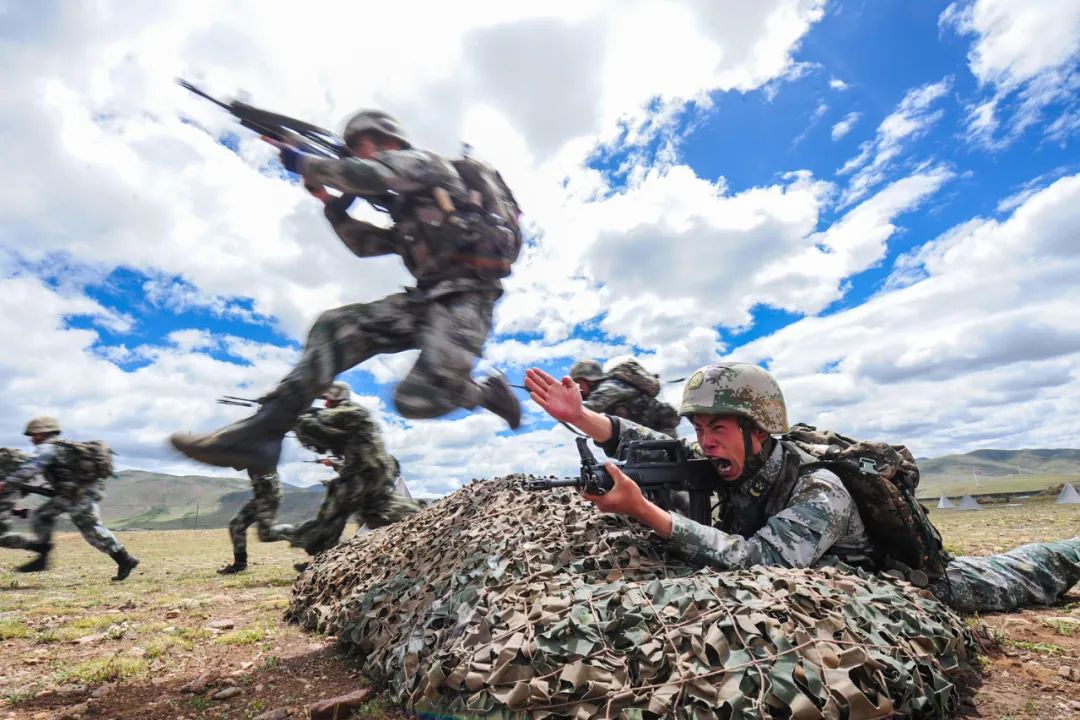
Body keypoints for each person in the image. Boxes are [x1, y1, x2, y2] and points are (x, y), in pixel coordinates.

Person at [525, 363, 1080, 613]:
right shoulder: (731, 461)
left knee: (1031, 573)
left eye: (718, 427)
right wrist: (586, 420)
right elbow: (656, 448)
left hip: (912, 586)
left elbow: (755, 562)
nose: (706, 441)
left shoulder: (821, 489)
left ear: (759, 430)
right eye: (699, 428)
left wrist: (645, 511)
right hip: (831, 584)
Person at [171, 110, 523, 474]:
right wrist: (328, 200)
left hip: (466, 301)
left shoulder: (427, 165)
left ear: (389, 141)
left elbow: (369, 175)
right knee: (335, 326)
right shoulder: (409, 211)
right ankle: (261, 435)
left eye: (360, 145)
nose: (355, 153)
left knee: (415, 401)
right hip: (423, 301)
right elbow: (365, 244)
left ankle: (486, 393)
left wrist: (302, 160)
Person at [276, 381, 419, 566]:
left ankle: (323, 559)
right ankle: (422, 519)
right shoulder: (350, 415)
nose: (325, 404)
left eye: (327, 400)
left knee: (332, 514)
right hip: (372, 471)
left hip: (364, 472)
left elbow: (318, 423)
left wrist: (294, 409)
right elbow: (326, 437)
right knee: (379, 511)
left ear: (336, 398)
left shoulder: (350, 411)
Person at [1, 417, 140, 580]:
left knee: (92, 530)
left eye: (34, 434)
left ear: (44, 432)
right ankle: (43, 555)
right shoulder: (61, 447)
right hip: (71, 494)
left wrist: (7, 484)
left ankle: (125, 560)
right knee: (43, 515)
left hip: (80, 495)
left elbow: (31, 468)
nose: (32, 439)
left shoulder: (47, 449)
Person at [569, 358, 681, 437]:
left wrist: (561, 401)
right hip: (651, 434)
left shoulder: (609, 387)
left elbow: (591, 407)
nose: (578, 388)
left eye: (578, 383)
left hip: (661, 432)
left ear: (588, 379)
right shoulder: (608, 386)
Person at [217, 466, 291, 575]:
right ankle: (240, 565)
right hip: (264, 495)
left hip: (268, 495)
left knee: (266, 534)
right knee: (237, 525)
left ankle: (306, 536)